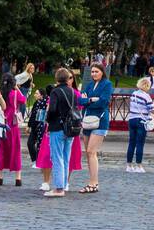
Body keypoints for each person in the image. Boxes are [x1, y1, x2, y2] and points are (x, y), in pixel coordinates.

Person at [44, 67, 79, 197]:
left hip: (57, 127)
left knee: (57, 157)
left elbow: (52, 110)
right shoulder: (73, 91)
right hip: (70, 128)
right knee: (65, 157)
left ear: (57, 79)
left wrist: (47, 120)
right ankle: (63, 185)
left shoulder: (56, 92)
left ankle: (58, 188)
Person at [78, 63, 112, 193]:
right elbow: (80, 100)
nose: (93, 74)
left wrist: (88, 101)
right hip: (87, 121)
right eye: (92, 72)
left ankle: (93, 183)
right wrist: (91, 100)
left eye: (96, 71)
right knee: (88, 153)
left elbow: (103, 102)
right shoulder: (90, 85)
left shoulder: (107, 84)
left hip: (100, 121)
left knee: (91, 151)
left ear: (102, 72)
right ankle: (93, 181)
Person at [0, 73, 26, 186]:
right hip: (13, 126)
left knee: (1, 150)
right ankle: (18, 178)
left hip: (1, 124)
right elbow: (24, 100)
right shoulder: (15, 93)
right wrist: (17, 88)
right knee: (15, 149)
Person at [126, 77, 154, 172]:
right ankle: (139, 166)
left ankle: (129, 165)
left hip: (131, 119)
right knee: (140, 144)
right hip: (141, 121)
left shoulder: (134, 94)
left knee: (131, 143)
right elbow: (151, 109)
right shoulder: (146, 96)